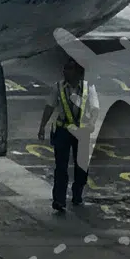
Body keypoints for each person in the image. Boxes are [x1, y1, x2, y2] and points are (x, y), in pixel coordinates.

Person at [36, 59, 98, 214]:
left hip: (82, 131)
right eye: (65, 69)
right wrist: (42, 126)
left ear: (78, 72)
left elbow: (95, 107)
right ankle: (59, 199)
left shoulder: (88, 88)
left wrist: (92, 122)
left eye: (69, 69)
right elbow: (49, 107)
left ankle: (77, 193)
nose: (65, 72)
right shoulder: (58, 87)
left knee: (81, 166)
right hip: (63, 130)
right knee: (61, 167)